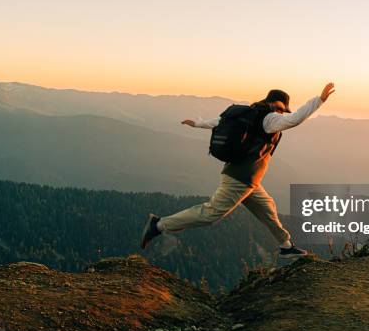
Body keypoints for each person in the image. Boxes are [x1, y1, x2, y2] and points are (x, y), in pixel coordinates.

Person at [141, 83, 335, 258]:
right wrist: (319, 100)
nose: (282, 115)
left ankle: (286, 245)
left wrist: (197, 123)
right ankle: (158, 225)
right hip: (240, 180)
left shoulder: (250, 114)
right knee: (211, 214)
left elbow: (219, 121)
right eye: (283, 110)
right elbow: (295, 119)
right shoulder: (270, 119)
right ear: (278, 105)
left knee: (268, 208)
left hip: (247, 180)